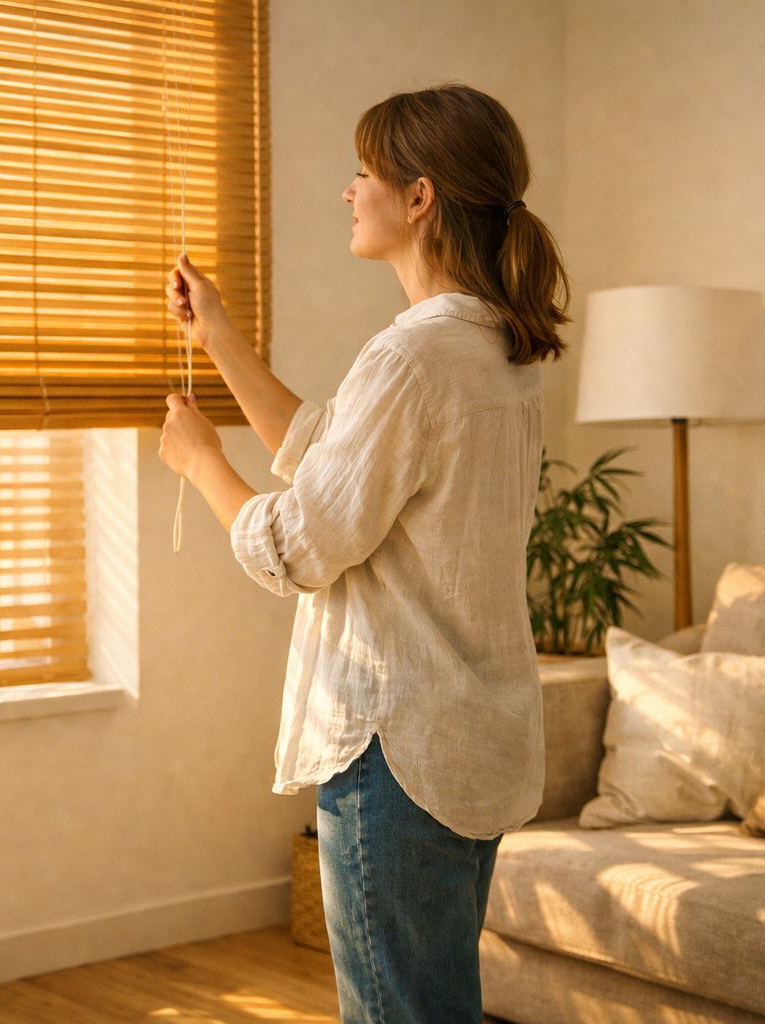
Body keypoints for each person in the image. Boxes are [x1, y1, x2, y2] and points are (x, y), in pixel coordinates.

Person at [158, 83, 570, 1023]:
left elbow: (301, 543)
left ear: (419, 197)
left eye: (362, 173)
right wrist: (216, 334)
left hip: (397, 746)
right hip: (471, 738)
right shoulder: (495, 350)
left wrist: (202, 465)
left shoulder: (414, 356)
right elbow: (333, 453)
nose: (347, 192)